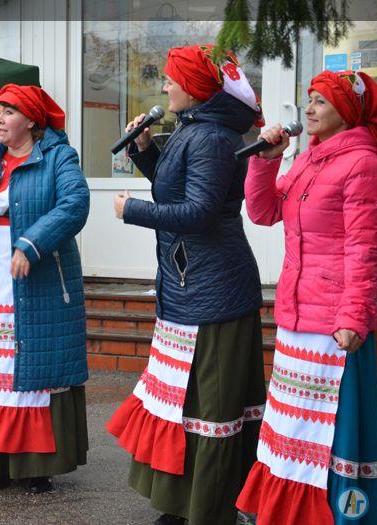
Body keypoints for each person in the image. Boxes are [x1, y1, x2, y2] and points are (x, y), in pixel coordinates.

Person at [236, 70, 377, 524]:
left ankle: (340, 516)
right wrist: (267, 160)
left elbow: (363, 249)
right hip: (298, 319)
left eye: (319, 101)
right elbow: (263, 212)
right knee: (294, 432)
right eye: (307, 99)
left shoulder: (364, 166)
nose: (308, 109)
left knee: (332, 437)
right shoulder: (310, 159)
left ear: (346, 111)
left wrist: (354, 316)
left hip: (336, 328)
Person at [105, 45, 267, 525]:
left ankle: (211, 509)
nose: (164, 87)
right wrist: (145, 148)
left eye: (171, 79)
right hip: (190, 285)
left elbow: (199, 212)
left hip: (214, 289)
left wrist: (132, 211)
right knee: (182, 400)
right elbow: (175, 186)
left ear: (193, 87)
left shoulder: (212, 138)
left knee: (210, 407)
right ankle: (188, 505)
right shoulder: (194, 131)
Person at [0, 84, 90, 494]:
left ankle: (36, 466)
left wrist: (31, 243)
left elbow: (75, 204)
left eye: (8, 112)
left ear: (30, 120)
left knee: (33, 370)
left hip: (36, 278)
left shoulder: (58, 156)